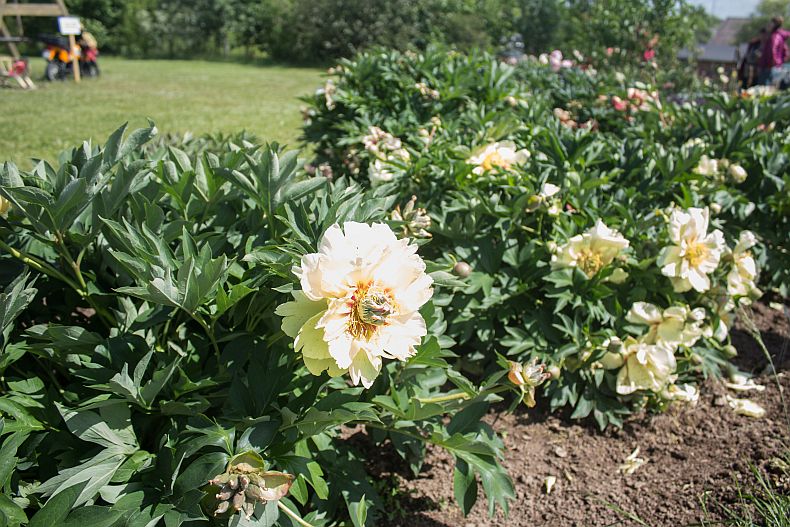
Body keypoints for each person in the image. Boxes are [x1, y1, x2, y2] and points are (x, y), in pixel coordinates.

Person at [758, 17, 790, 86]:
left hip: (771, 67)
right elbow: (786, 51)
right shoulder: (778, 36)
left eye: (770, 23)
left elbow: (772, 51)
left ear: (774, 25)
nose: (768, 25)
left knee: (767, 88)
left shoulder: (775, 37)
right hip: (776, 66)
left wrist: (772, 63)